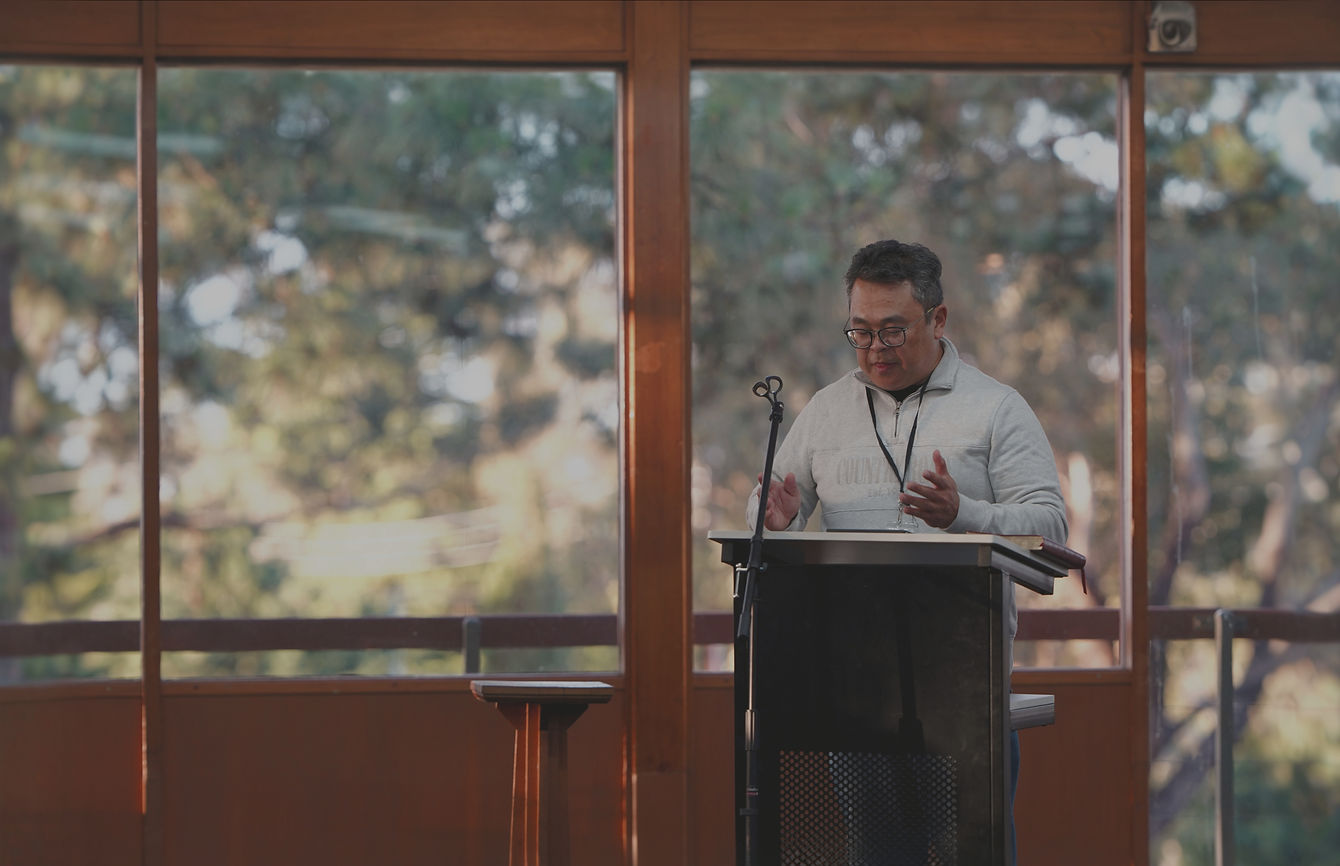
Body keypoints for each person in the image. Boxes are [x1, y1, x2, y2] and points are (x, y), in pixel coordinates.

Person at [745, 237, 1068, 864]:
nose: (875, 349)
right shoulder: (826, 411)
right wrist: (778, 521)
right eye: (860, 332)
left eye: (893, 331)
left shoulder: (996, 408)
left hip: (964, 690)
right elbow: (772, 513)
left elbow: (1050, 526)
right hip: (856, 692)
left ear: (938, 319)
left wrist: (964, 514)